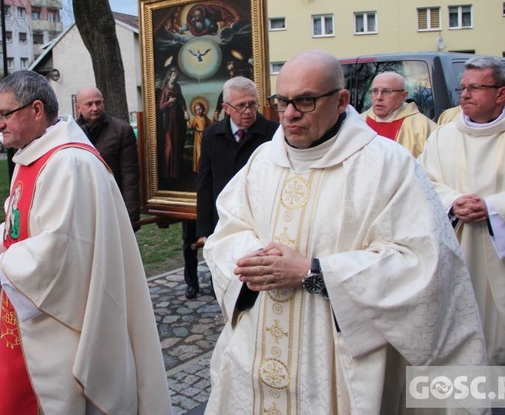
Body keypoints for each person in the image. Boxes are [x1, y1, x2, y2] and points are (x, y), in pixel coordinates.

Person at [203, 50, 486, 413]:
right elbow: (228, 230)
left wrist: (314, 272)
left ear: (340, 101)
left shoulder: (387, 165)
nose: (289, 114)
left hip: (334, 360)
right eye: (282, 101)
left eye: (305, 100)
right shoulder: (262, 161)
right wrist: (249, 258)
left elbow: (423, 265)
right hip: (255, 351)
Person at [0, 71, 171, 414]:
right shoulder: (32, 155)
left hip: (63, 326)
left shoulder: (69, 162)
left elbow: (63, 251)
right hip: (28, 315)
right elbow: (19, 216)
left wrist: (4, 263)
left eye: (5, 114)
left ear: (36, 110)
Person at [419, 56, 505, 395]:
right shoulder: (442, 138)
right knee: (450, 351)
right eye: (463, 87)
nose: (465, 95)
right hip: (452, 254)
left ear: (501, 93)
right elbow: (420, 184)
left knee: (504, 357)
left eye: (475, 87)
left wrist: (495, 208)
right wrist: (451, 202)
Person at [186, 77, 278, 300]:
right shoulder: (211, 135)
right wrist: (204, 231)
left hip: (261, 221)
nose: (248, 111)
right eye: (241, 106)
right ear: (226, 108)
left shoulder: (274, 133)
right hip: (225, 221)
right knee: (228, 282)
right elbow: (205, 184)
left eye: (252, 104)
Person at [75, 86, 140, 228]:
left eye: (98, 103)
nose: (95, 108)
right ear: (78, 107)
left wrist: (130, 216)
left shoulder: (122, 130)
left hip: (112, 203)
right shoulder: (70, 132)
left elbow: (130, 175)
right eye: (89, 104)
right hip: (81, 208)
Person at [362, 71, 436, 156]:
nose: (378, 97)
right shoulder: (359, 122)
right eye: (375, 91)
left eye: (386, 91)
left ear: (403, 96)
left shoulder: (424, 127)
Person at [157, 66, 189, 180]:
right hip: (168, 120)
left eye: (177, 76)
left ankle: (176, 173)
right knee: (169, 146)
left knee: (177, 144)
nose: (175, 77)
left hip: (177, 119)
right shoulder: (165, 89)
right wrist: (169, 102)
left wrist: (185, 111)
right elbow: (160, 106)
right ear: (170, 75)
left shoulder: (177, 87)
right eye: (174, 75)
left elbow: (181, 101)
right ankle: (167, 173)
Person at [187, 98, 212, 173]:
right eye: (197, 110)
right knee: (199, 153)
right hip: (198, 136)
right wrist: (188, 120)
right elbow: (191, 125)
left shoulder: (205, 117)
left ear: (203, 108)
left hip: (205, 135)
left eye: (200, 109)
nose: (198, 111)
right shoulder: (195, 118)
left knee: (205, 152)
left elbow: (210, 123)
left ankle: (205, 168)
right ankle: (199, 169)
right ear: (195, 111)